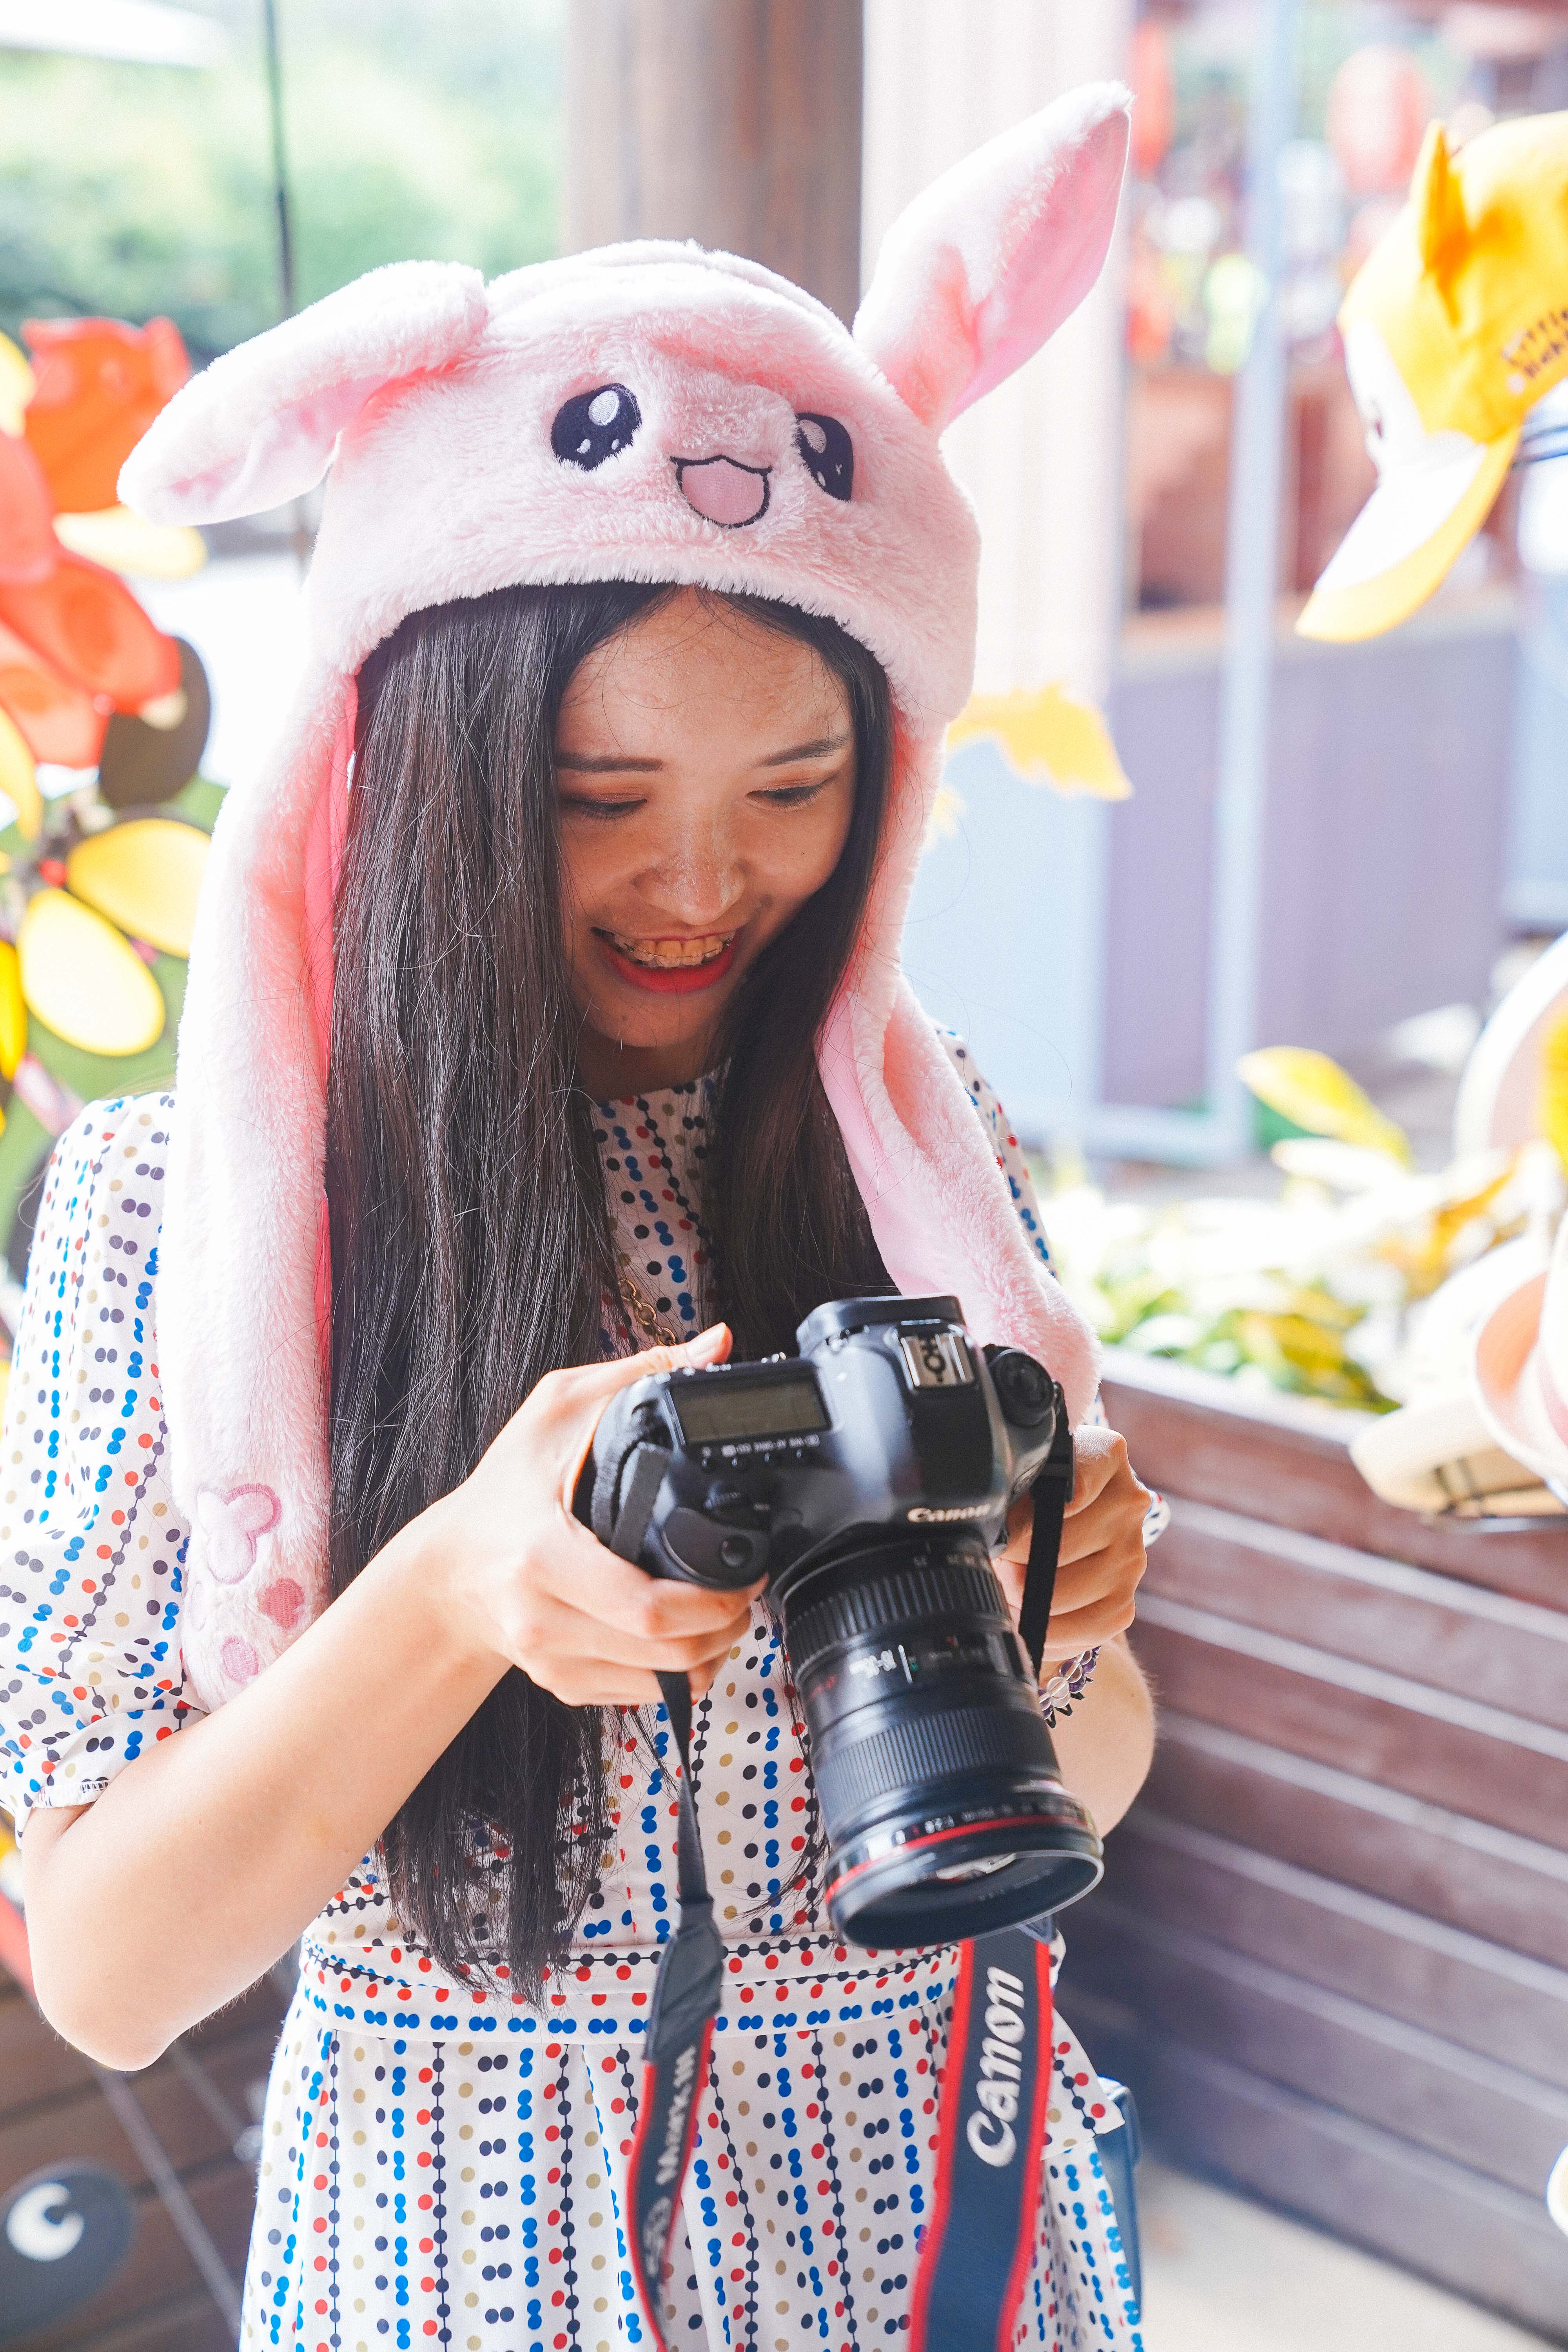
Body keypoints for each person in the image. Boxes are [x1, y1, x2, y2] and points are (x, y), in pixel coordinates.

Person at [2, 86, 1154, 2352]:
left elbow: (1094, 1782)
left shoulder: (914, 1145)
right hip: (471, 2257)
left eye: (796, 792)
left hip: (942, 2224)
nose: (706, 885)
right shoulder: (209, 1206)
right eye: (598, 798)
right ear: (418, 769)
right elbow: (115, 1965)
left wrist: (1062, 1624)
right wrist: (446, 1594)